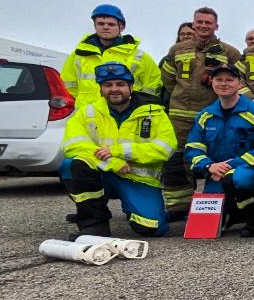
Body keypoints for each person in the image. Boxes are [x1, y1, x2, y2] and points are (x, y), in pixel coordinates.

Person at [59, 62, 176, 238]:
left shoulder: (155, 113)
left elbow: (165, 148)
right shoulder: (86, 112)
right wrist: (112, 162)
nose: (114, 89)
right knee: (71, 165)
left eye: (120, 84)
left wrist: (120, 151)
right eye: (108, 85)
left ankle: (136, 208)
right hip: (104, 173)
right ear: (100, 88)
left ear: (131, 86)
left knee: (152, 228)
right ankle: (94, 224)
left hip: (137, 179)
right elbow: (72, 144)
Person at [160, 7, 246, 217]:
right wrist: (182, 96)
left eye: (209, 22)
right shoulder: (177, 50)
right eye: (200, 22)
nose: (204, 26)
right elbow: (169, 80)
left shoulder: (230, 52)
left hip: (212, 115)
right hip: (180, 116)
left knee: (213, 157)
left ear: (216, 26)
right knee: (177, 160)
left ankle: (219, 204)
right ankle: (179, 209)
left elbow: (239, 81)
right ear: (194, 23)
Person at [183, 61, 254, 236]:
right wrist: (210, 166)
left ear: (239, 84)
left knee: (237, 180)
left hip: (246, 170)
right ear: (212, 83)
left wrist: (230, 165)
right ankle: (234, 214)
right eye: (219, 79)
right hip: (215, 173)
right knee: (206, 228)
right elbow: (192, 149)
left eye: (229, 80)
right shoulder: (205, 115)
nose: (224, 84)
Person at [61, 3, 163, 109]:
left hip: (126, 116)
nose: (105, 27)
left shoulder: (139, 56)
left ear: (122, 27)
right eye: (101, 24)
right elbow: (67, 85)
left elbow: (153, 86)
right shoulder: (78, 55)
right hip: (88, 115)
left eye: (111, 24)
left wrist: (138, 106)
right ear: (95, 26)